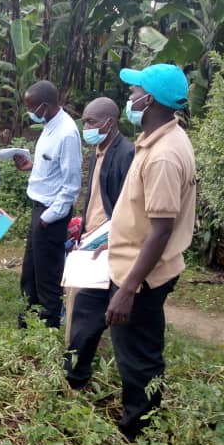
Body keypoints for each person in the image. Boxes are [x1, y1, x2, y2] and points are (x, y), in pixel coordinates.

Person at [106, 64, 196, 440]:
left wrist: (128, 288)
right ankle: (145, 419)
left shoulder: (163, 156)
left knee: (136, 356)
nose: (130, 97)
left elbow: (160, 230)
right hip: (141, 268)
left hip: (141, 275)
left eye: (135, 91)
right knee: (144, 348)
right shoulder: (162, 141)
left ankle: (136, 432)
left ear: (151, 100)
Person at [64, 97, 135, 390]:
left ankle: (78, 368)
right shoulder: (98, 150)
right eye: (85, 121)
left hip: (109, 242)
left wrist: (111, 239)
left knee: (85, 304)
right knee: (77, 303)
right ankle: (75, 365)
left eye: (91, 122)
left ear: (109, 122)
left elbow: (124, 207)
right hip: (90, 237)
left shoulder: (126, 154)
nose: (86, 127)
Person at [13, 80, 83, 327]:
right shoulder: (49, 126)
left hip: (51, 214)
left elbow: (71, 184)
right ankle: (26, 322)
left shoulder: (67, 133)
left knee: (47, 276)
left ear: (45, 105)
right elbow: (53, 166)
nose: (29, 111)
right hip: (39, 209)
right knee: (30, 271)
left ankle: (49, 327)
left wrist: (49, 217)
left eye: (32, 107)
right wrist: (30, 166)